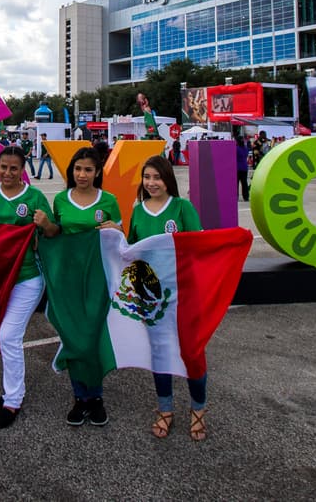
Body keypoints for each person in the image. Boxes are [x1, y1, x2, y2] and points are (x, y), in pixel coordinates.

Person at [0, 145, 58, 429]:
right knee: (0, 333)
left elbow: (53, 233)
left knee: (9, 336)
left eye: (14, 168)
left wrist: (45, 224)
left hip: (26, 278)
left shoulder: (34, 197)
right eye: (3, 167)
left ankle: (13, 400)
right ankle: (9, 391)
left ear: (23, 170)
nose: (8, 173)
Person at [129, 155, 209, 441]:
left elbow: (199, 246)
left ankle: (198, 410)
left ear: (168, 180)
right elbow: (131, 252)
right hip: (151, 299)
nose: (151, 183)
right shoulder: (137, 212)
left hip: (184, 295)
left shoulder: (182, 207)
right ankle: (165, 409)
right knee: (160, 354)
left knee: (192, 353)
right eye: (147, 177)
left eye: (157, 177)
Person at [49, 146, 122, 427]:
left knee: (92, 337)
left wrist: (118, 229)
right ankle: (79, 398)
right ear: (71, 171)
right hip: (67, 279)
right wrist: (44, 227)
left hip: (97, 280)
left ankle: (96, 397)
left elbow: (120, 240)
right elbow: (56, 235)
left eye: (88, 170)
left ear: (97, 172)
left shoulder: (109, 200)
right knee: (73, 336)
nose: (82, 174)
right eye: (78, 169)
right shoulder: (60, 200)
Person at [235, 137, 250, 201]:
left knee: (236, 184)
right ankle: (246, 197)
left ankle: (236, 197)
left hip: (237, 168)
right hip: (244, 167)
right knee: (244, 183)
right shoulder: (246, 149)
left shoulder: (236, 149)